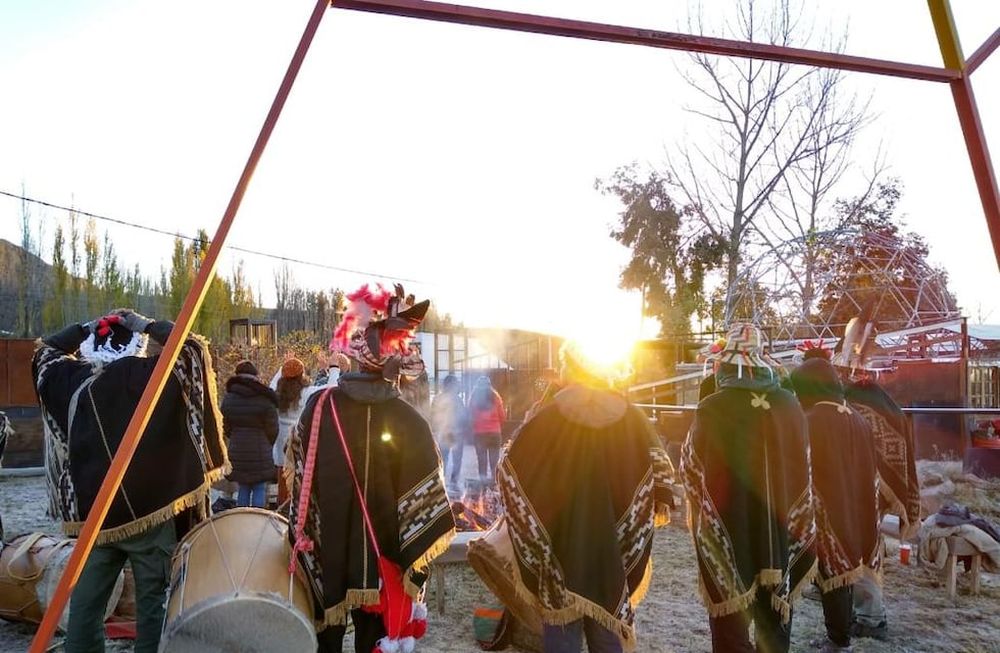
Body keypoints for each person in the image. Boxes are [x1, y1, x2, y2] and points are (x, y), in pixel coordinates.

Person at [32, 309, 227, 653]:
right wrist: (148, 325)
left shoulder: (73, 378)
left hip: (95, 519)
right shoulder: (153, 375)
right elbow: (192, 348)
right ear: (137, 343)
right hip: (151, 512)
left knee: (86, 604)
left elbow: (45, 352)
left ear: (93, 346)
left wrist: (83, 326)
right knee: (152, 606)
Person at [286, 283, 455, 653]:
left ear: (359, 360)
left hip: (326, 545)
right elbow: (425, 496)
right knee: (374, 639)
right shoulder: (410, 420)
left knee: (325, 635)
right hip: (386, 554)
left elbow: (298, 468)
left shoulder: (319, 407)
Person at [496, 341, 675, 652]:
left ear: (570, 368)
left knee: (561, 630)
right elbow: (662, 476)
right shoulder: (632, 417)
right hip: (613, 547)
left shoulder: (546, 417)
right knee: (606, 624)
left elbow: (510, 471)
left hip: (559, 544)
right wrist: (637, 517)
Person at [681, 323, 817, 653]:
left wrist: (707, 514)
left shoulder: (713, 408)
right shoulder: (790, 406)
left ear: (725, 364)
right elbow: (805, 469)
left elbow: (690, 469)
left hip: (728, 528)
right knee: (774, 620)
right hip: (781, 529)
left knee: (730, 621)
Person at [834, 314, 919, 640]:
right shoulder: (877, 401)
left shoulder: (862, 402)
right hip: (852, 487)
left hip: (860, 491)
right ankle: (852, 603)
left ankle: (871, 618)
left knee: (862, 547)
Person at [790, 346, 880, 653]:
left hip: (825, 510)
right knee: (842, 574)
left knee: (833, 575)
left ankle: (838, 641)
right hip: (856, 505)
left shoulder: (811, 419)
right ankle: (839, 636)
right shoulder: (857, 418)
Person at [270, 353, 348, 504]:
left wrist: (283, 367)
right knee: (299, 479)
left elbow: (272, 384)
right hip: (298, 440)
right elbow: (331, 389)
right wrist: (334, 368)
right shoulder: (306, 393)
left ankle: (282, 511)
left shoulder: (275, 394)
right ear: (302, 375)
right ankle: (297, 510)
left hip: (280, 443)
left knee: (283, 481)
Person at [221, 360, 279, 508]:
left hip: (237, 448)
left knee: (243, 487)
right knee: (259, 486)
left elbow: (224, 426)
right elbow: (273, 428)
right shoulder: (265, 398)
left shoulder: (228, 398)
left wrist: (234, 437)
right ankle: (257, 521)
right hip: (260, 448)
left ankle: (243, 519)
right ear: (255, 377)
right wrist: (267, 443)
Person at [430, 374, 469, 493]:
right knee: (457, 459)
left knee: (443, 458)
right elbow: (463, 416)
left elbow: (433, 415)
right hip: (456, 432)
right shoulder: (457, 399)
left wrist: (435, 429)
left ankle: (441, 481)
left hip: (443, 432)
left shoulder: (437, 398)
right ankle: (453, 482)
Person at [469, 375, 505, 484]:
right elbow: (502, 416)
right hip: (495, 434)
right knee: (494, 462)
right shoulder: (496, 398)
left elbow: (469, 417)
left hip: (479, 434)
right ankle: (494, 483)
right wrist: (496, 426)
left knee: (482, 461)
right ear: (490, 386)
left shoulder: (473, 398)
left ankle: (483, 484)